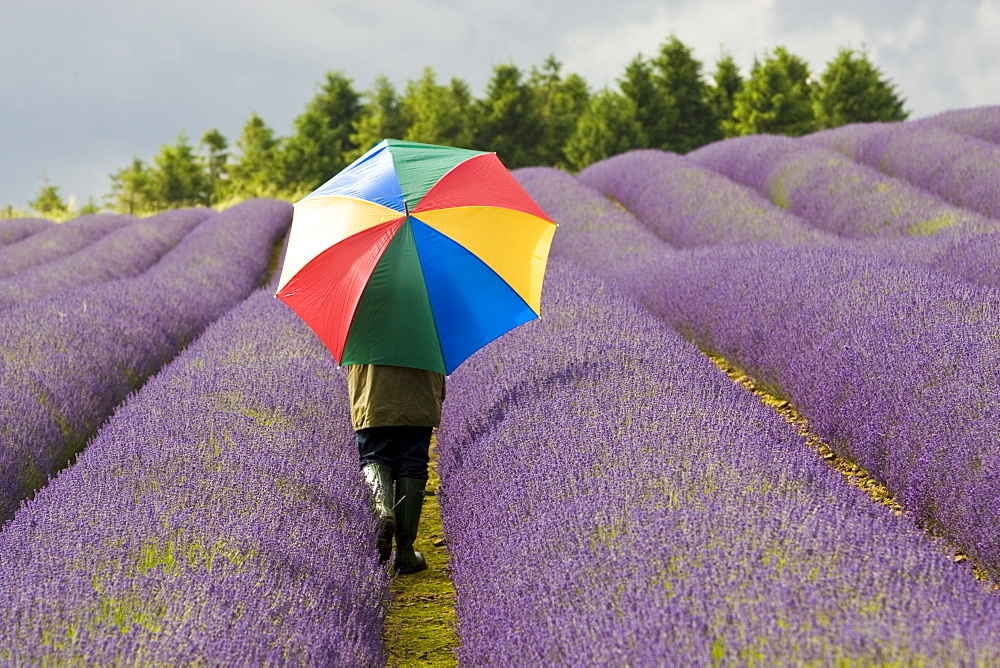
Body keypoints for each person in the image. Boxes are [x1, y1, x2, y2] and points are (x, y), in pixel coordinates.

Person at [349, 363, 446, 574]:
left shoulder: (363, 327)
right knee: (412, 463)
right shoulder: (427, 327)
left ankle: (382, 513)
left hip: (373, 394)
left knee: (374, 456)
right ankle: (405, 553)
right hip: (420, 394)